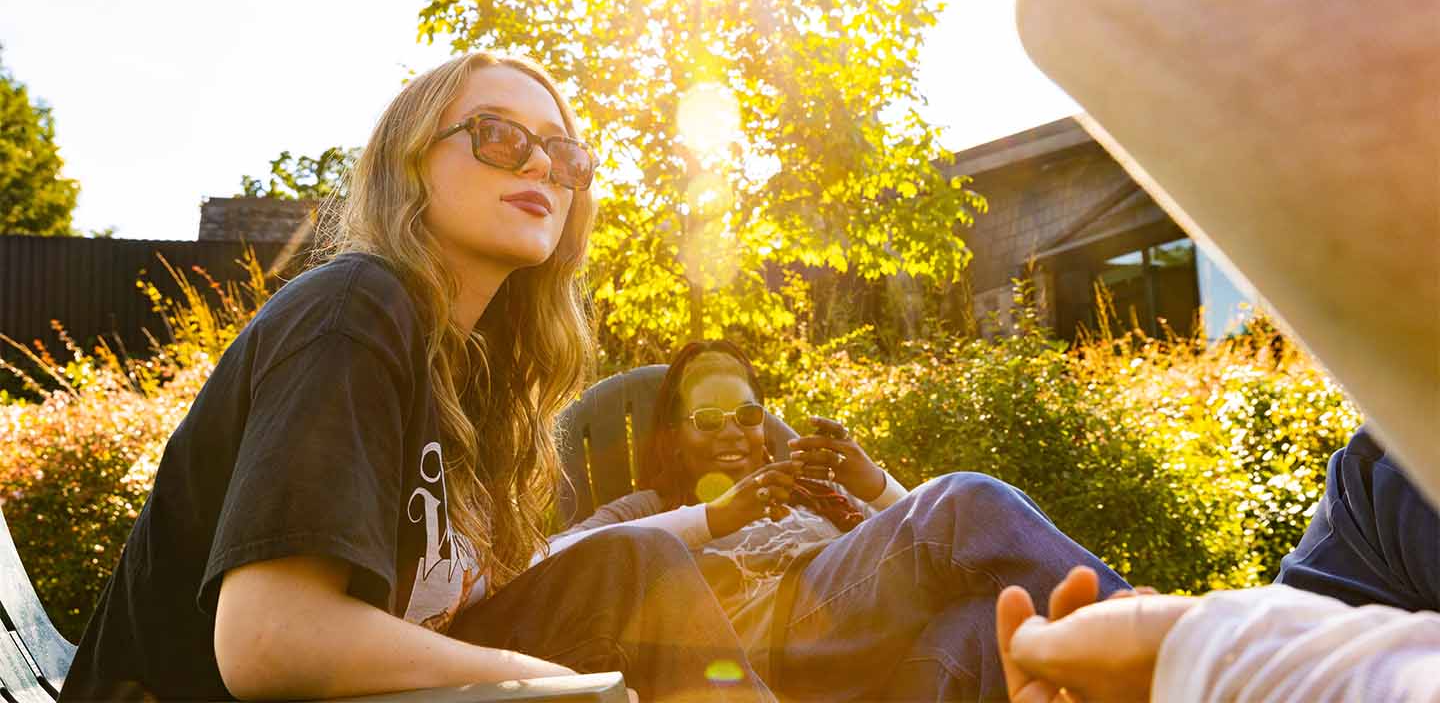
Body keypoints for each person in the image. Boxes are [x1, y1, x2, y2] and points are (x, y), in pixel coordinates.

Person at [60, 52, 769, 702]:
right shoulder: (353, 310)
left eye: (564, 153)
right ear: (410, 162)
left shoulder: (478, 377)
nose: (539, 168)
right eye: (500, 136)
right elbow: (269, 638)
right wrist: (550, 681)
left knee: (633, 567)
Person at [994, 0, 1440, 699]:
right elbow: (1307, 621)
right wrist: (1180, 661)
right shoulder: (1385, 483)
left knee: (965, 508)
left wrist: (1214, 663)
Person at [542, 339, 1129, 701]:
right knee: (964, 497)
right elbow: (557, 560)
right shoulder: (649, 508)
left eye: (747, 414)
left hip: (876, 659)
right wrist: (713, 517)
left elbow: (936, 557)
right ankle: (1159, 650)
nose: (732, 432)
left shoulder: (812, 494)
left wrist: (874, 485)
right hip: (774, 651)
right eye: (708, 418)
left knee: (986, 626)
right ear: (673, 435)